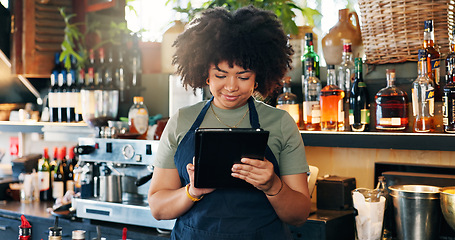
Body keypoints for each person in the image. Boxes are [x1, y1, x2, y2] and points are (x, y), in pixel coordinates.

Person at [148, 5, 311, 239]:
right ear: (205, 74)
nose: (232, 86)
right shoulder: (181, 120)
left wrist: (272, 186)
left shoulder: (281, 123)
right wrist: (192, 191)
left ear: (258, 77)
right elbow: (158, 208)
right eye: (221, 76)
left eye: (243, 76)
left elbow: (299, 215)